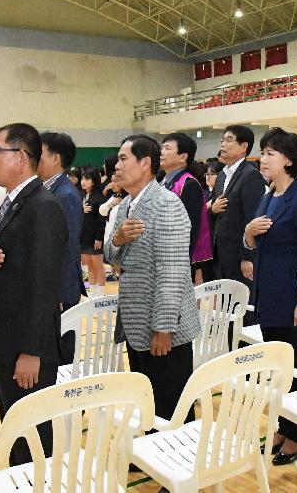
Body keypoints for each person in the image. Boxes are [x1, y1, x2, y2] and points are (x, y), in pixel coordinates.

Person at [0, 123, 67, 466]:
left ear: (22, 157)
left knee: (32, 439)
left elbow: (43, 285)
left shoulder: (42, 206)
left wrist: (31, 351)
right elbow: (3, 264)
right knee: (14, 427)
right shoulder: (13, 202)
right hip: (5, 338)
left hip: (25, 347)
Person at [104, 134, 201, 422]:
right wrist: (118, 240)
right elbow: (113, 256)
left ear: (145, 163)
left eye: (123, 159)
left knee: (171, 404)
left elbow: (172, 271)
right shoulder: (125, 207)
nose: (116, 167)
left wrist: (164, 327)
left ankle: (176, 459)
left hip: (163, 328)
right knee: (147, 399)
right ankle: (153, 453)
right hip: (137, 323)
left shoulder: (166, 204)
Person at [243, 128, 297, 466]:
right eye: (263, 153)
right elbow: (255, 241)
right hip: (270, 296)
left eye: (270, 154)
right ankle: (283, 425)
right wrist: (248, 235)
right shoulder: (269, 194)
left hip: (294, 301)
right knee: (278, 371)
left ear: (289, 160)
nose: (263, 159)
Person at [38, 132, 86, 364]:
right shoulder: (47, 189)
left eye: (39, 153)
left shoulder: (65, 194)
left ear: (55, 158)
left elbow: (66, 248)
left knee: (61, 356)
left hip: (60, 290)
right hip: (51, 288)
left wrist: (55, 292)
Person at [210, 125, 267, 296]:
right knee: (225, 305)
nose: (223, 144)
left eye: (229, 140)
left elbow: (253, 218)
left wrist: (248, 256)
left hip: (239, 253)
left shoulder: (250, 175)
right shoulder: (221, 176)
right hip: (221, 251)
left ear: (244, 147)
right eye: (222, 140)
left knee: (242, 304)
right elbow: (216, 210)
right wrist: (212, 210)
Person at [160, 133, 214, 282]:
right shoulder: (162, 181)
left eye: (167, 148)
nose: (161, 152)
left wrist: (182, 262)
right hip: (160, 257)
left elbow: (192, 228)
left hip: (176, 261)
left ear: (183, 157)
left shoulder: (189, 184)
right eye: (162, 147)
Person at [80, 167, 107, 297]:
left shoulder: (100, 198)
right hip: (85, 236)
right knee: (89, 265)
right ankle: (92, 295)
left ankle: (100, 295)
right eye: (82, 178)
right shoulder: (84, 196)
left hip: (95, 237)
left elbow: (101, 220)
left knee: (98, 265)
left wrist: (99, 238)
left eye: (87, 179)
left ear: (94, 181)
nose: (83, 181)